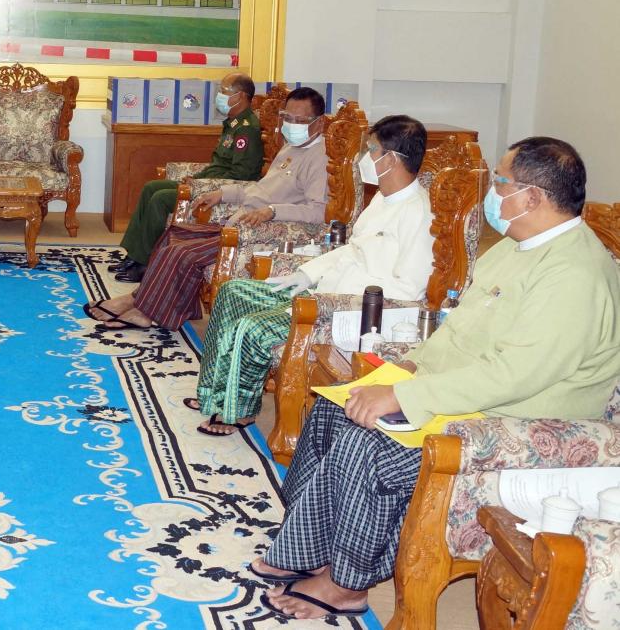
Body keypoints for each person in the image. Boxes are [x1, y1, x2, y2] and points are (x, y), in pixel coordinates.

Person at [253, 137, 620, 620]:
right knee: (334, 409)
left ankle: (346, 584)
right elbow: (459, 330)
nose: (492, 193)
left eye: (501, 182)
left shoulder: (573, 273)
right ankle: (308, 547)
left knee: (368, 442)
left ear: (532, 197)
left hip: (513, 419)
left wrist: (407, 396)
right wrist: (410, 365)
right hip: (464, 390)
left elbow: (516, 375)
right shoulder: (517, 249)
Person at [190, 115, 434, 436]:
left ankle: (239, 411)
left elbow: (409, 290)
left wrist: (334, 294)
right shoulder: (382, 198)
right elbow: (352, 249)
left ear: (391, 159)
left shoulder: (419, 212)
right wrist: (305, 274)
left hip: (349, 310)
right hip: (322, 288)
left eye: (372, 150)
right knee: (233, 292)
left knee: (253, 327)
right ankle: (214, 394)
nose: (364, 158)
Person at [85, 87, 330, 333]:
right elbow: (259, 189)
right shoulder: (291, 147)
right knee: (173, 235)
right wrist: (222, 193)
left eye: (300, 120)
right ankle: (137, 302)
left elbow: (318, 212)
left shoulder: (320, 158)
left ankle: (141, 311)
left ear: (318, 123)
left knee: (182, 252)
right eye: (287, 117)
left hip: (256, 233)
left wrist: (273, 211)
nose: (291, 124)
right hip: (237, 222)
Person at [113, 73, 263, 282]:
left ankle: (146, 264)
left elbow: (241, 175)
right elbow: (219, 164)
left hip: (217, 190)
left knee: (160, 199)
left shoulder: (247, 129)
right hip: (208, 181)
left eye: (224, 91)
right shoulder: (233, 124)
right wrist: (197, 177)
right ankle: (133, 256)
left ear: (241, 96)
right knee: (151, 187)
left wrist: (202, 183)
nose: (219, 95)